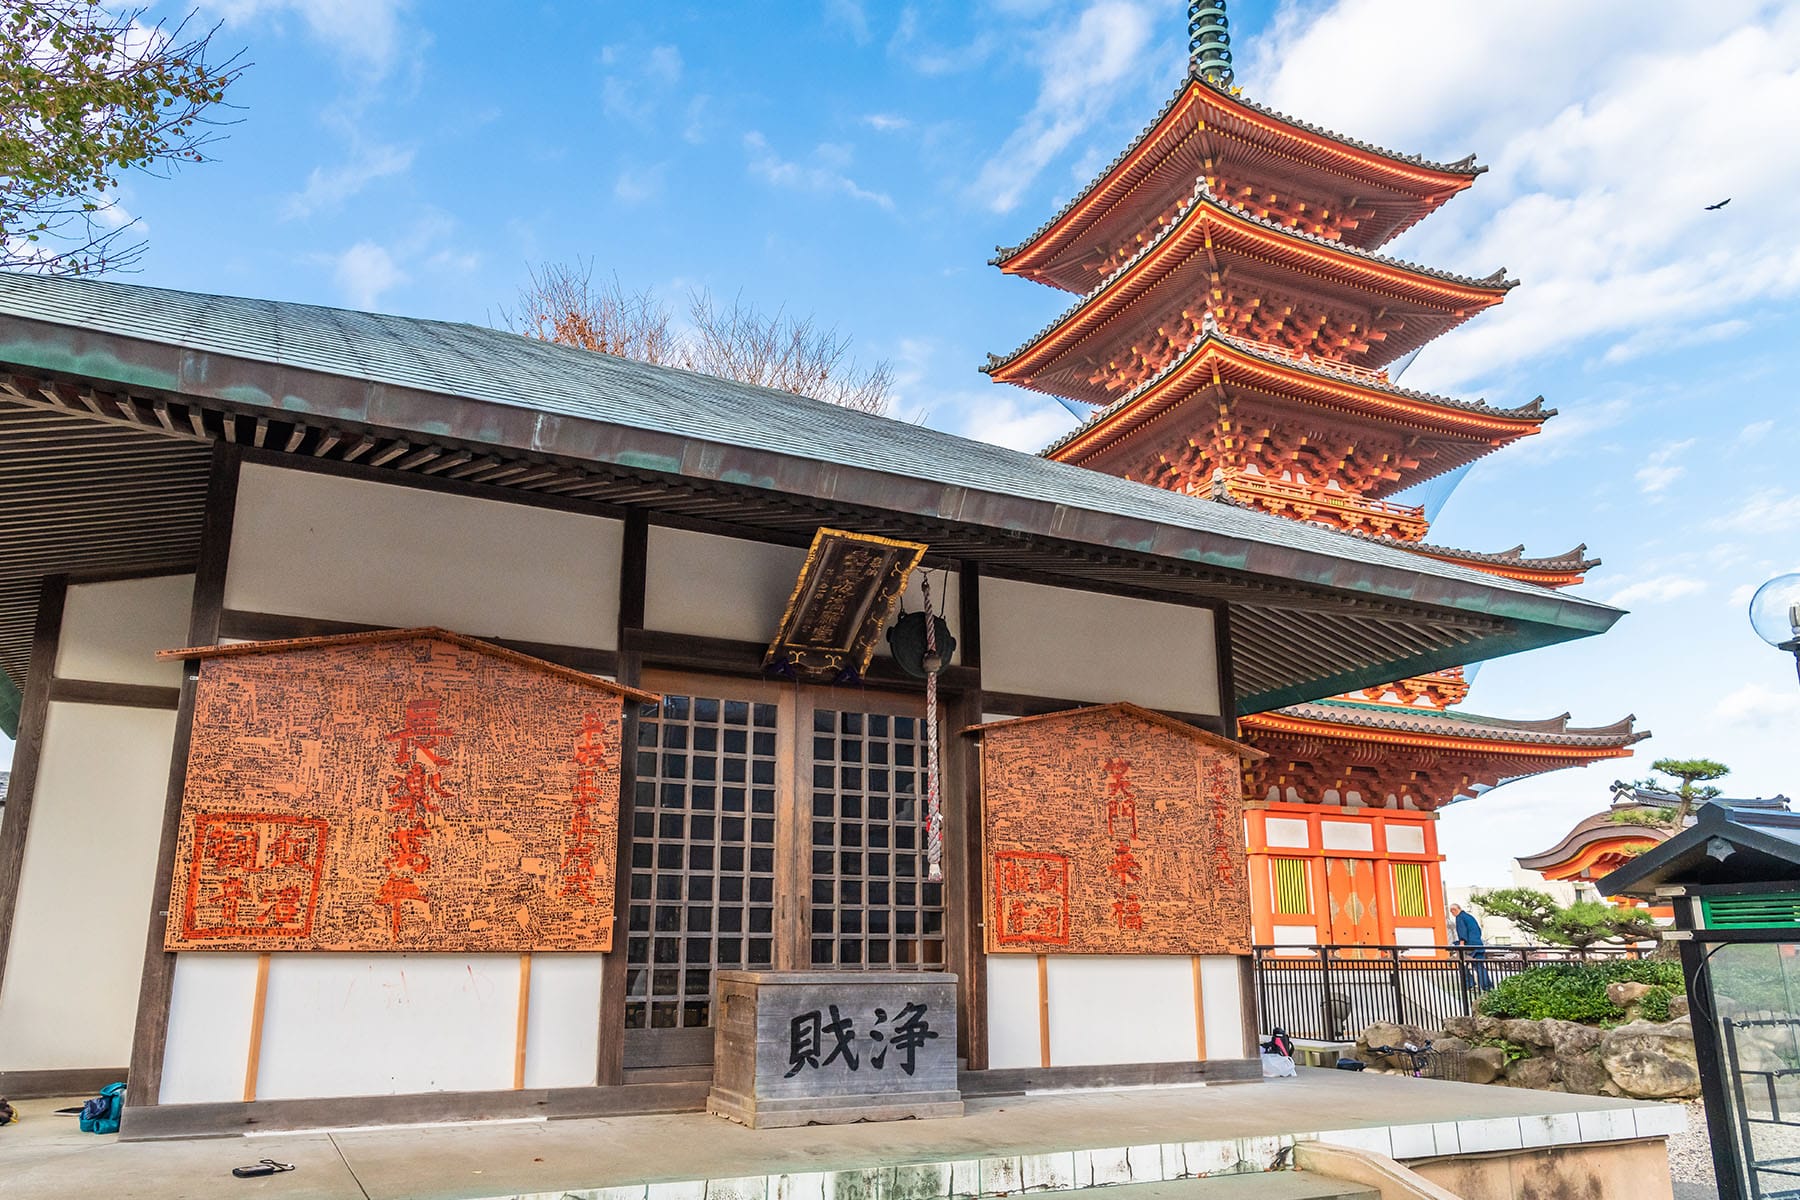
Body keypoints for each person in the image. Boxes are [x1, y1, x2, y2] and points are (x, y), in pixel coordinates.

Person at [1449, 903, 1491, 991]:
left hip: (1469, 946)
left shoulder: (1460, 917)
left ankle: (1470, 984)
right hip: (1478, 944)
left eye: (1452, 911)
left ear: (1454, 910)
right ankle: (1487, 986)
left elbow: (1462, 933)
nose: (1452, 914)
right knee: (1480, 967)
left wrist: (1461, 945)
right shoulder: (1469, 917)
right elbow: (1478, 930)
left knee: (1462, 965)